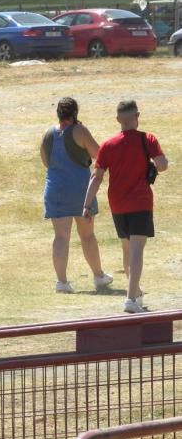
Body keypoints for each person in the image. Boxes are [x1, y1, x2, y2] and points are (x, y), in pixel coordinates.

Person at [83, 100, 168, 314]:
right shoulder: (147, 139)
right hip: (140, 201)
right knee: (138, 249)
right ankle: (130, 298)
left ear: (118, 119)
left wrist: (86, 205)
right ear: (137, 115)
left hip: (118, 204)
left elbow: (96, 177)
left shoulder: (108, 145)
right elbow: (162, 165)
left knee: (127, 247)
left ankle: (136, 291)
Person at [41, 97, 111, 294]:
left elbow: (46, 161)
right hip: (80, 189)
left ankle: (62, 282)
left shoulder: (49, 133)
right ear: (74, 113)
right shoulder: (80, 130)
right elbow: (99, 153)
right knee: (87, 235)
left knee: (61, 237)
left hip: (54, 188)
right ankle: (98, 276)